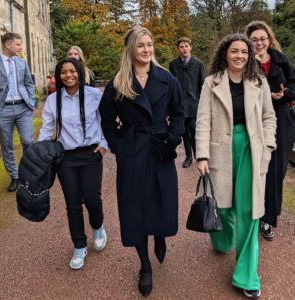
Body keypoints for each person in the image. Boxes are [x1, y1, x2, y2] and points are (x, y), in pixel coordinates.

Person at [99, 27, 184, 297]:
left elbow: (179, 113)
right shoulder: (118, 81)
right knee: (134, 207)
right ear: (131, 50)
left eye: (150, 45)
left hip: (160, 148)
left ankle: (159, 234)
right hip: (133, 151)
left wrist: (172, 139)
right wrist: (118, 146)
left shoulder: (167, 79)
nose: (147, 50)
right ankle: (144, 265)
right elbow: (106, 118)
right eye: (141, 46)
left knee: (162, 199)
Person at [196, 34, 276, 298]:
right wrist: (202, 155)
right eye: (234, 51)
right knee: (222, 206)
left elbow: (269, 117)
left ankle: (247, 276)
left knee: (250, 211)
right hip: (221, 149)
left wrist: (268, 146)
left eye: (244, 51)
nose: (239, 56)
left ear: (250, 55)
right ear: (225, 53)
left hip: (252, 149)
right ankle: (222, 240)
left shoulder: (259, 82)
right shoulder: (212, 82)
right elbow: (203, 120)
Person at [38, 57, 108, 270]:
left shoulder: (94, 95)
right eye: (63, 72)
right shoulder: (53, 100)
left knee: (92, 199)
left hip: (90, 154)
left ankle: (98, 227)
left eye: (72, 71)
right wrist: (39, 152)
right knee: (73, 204)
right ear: (59, 76)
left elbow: (105, 121)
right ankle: (79, 246)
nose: (68, 75)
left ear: (79, 71)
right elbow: (46, 128)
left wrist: (104, 144)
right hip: (65, 157)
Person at [245, 20, 295, 241]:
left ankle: (268, 219)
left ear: (269, 38)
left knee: (276, 171)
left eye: (262, 38)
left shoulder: (280, 59)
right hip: (255, 120)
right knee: (255, 168)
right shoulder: (244, 61)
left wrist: (285, 95)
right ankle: (251, 213)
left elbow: (294, 84)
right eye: (254, 39)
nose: (259, 43)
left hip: (282, 120)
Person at [0, 32, 35, 192]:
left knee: (27, 141)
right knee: (7, 145)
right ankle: (15, 177)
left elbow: (29, 83)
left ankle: (27, 174)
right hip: (2, 109)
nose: (20, 47)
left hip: (23, 108)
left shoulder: (21, 63)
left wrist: (32, 101)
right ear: (8, 45)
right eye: (18, 44)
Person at [169, 37, 205, 168]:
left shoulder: (198, 64)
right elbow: (171, 86)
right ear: (178, 49)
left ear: (191, 47)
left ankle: (198, 155)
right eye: (181, 47)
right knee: (183, 131)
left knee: (194, 129)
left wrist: (203, 104)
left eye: (186, 46)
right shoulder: (173, 65)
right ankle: (188, 156)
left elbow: (203, 85)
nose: (184, 49)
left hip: (194, 104)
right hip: (179, 104)